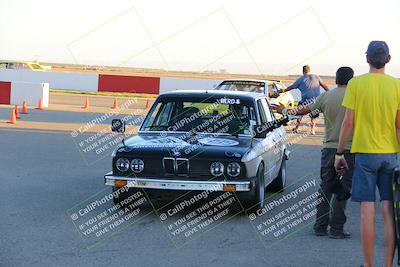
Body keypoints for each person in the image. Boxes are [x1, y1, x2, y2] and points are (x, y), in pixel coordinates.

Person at [335, 41, 400, 267]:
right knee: (389, 211)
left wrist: (339, 152)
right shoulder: (397, 85)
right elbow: (399, 126)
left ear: (367, 59)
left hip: (364, 155)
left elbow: (348, 123)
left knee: (366, 209)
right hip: (391, 154)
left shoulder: (356, 84)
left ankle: (369, 264)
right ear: (389, 60)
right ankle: (389, 265)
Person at [273, 67, 355, 239]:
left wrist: (284, 111)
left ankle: (320, 226)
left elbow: (304, 110)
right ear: (352, 80)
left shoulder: (326, 96)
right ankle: (337, 229)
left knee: (325, 187)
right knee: (343, 189)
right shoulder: (355, 97)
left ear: (336, 79)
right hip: (348, 149)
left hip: (328, 148)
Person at [284, 65, 329, 134]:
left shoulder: (301, 79)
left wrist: (284, 90)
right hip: (315, 101)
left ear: (303, 71)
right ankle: (312, 130)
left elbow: (292, 87)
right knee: (314, 116)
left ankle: (296, 128)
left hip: (305, 101)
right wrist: (329, 93)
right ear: (309, 70)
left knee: (299, 114)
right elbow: (324, 86)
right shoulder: (316, 77)